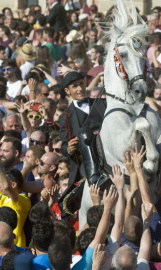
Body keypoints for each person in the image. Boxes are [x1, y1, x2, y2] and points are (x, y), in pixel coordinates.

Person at [58, 71, 106, 228]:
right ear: (67, 91)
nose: (79, 89)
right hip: (85, 166)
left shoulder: (101, 104)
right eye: (75, 86)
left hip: (109, 156)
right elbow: (64, 145)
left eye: (81, 84)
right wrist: (69, 148)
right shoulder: (65, 116)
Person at [0, 168, 31, 248]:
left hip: (15, 245)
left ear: (13, 185)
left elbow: (7, 186)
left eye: (2, 182)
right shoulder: (3, 197)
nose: (0, 185)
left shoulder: (23, 200)